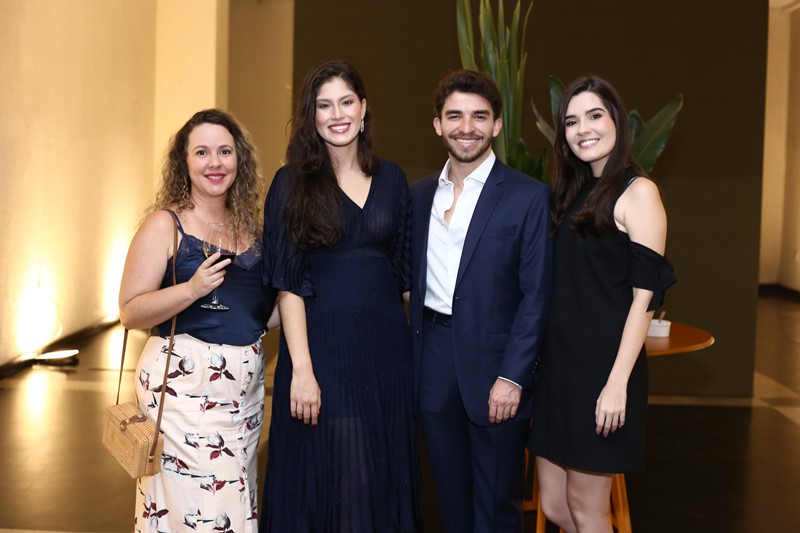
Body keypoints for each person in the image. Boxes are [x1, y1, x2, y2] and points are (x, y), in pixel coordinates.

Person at [260, 60, 420, 532]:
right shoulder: (290, 183)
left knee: (381, 476)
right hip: (323, 354)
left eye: (346, 102)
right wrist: (302, 371)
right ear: (311, 115)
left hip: (387, 356)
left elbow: (405, 276)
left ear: (364, 108)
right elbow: (287, 283)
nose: (337, 114)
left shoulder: (393, 179)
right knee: (337, 479)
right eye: (324, 105)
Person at [529, 76, 676, 532]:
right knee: (555, 506)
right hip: (559, 370)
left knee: (587, 506)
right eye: (572, 121)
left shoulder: (639, 192)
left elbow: (644, 299)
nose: (583, 129)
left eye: (594, 115)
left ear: (616, 120)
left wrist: (616, 383)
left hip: (602, 371)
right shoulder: (571, 192)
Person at [118, 109, 275, 533]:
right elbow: (130, 310)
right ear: (183, 162)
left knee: (233, 499)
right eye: (202, 152)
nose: (214, 162)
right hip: (182, 390)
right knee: (196, 506)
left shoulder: (253, 231)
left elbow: (260, 312)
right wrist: (191, 289)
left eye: (225, 151)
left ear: (239, 159)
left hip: (243, 397)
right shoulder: (165, 225)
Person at [409, 69, 552, 533]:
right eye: (455, 116)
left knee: (495, 506)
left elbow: (536, 295)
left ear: (497, 125)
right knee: (449, 500)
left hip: (497, 369)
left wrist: (513, 376)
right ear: (438, 124)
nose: (466, 127)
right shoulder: (417, 196)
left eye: (479, 116)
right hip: (432, 361)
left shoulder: (529, 198)